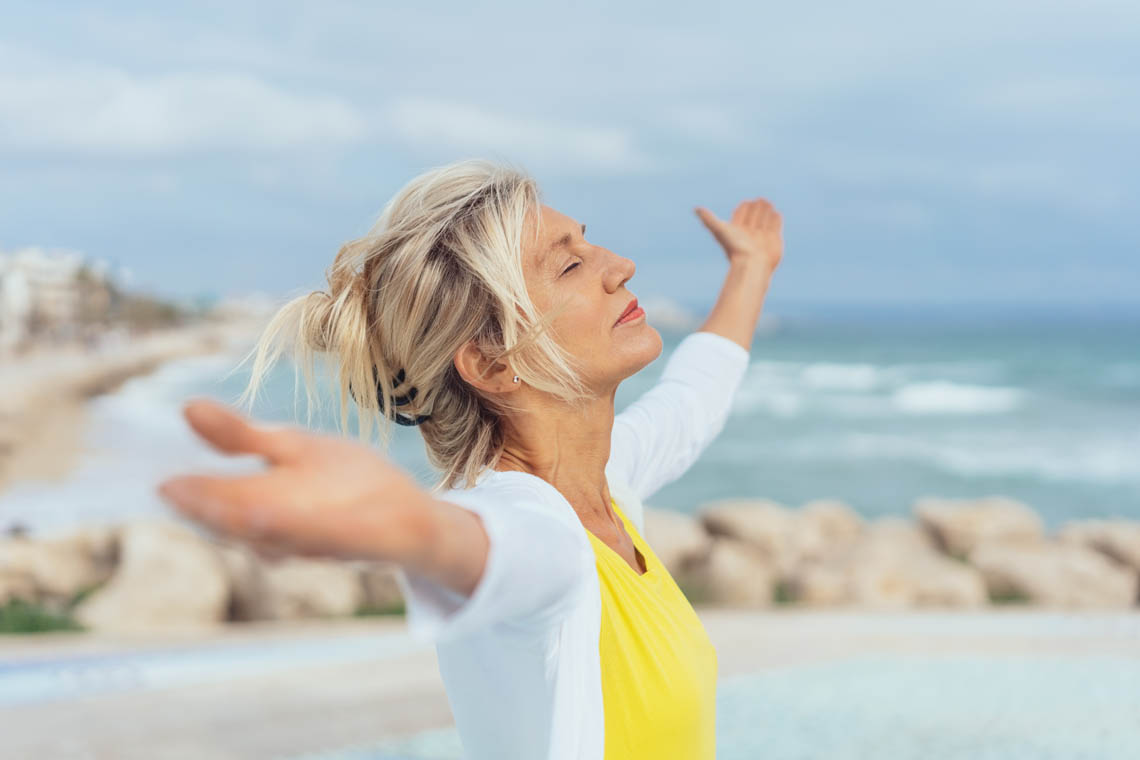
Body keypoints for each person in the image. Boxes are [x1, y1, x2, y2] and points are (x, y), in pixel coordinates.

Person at [158, 158, 782, 759]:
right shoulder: (537, 529)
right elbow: (488, 546)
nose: (620, 266)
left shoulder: (604, 488)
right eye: (569, 266)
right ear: (492, 363)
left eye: (589, 245)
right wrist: (403, 524)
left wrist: (750, 268)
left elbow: (693, 399)